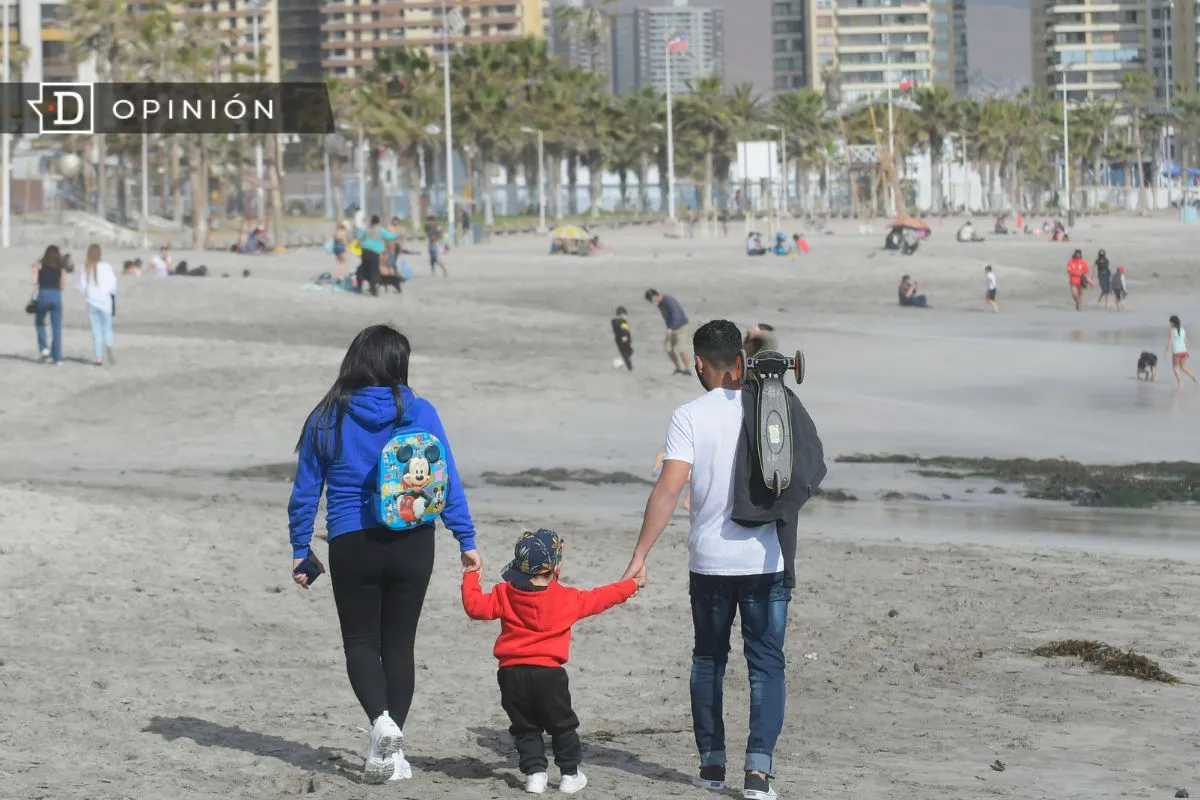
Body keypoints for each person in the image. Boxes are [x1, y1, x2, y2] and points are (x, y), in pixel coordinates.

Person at [288, 324, 482, 784]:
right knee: (399, 645)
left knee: (360, 643)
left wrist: (301, 548)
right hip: (414, 540)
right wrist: (466, 539)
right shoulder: (420, 409)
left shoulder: (326, 415)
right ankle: (394, 756)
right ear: (399, 364)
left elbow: (305, 492)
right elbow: (446, 478)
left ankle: (381, 725)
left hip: (352, 542)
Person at [620, 320, 791, 800]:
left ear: (698, 363)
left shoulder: (688, 415)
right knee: (766, 666)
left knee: (709, 660)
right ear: (742, 360)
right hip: (766, 558)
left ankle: (712, 767)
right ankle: (758, 776)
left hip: (710, 563)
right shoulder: (770, 405)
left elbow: (669, 489)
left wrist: (640, 553)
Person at [462, 528, 641, 795]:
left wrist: (471, 576)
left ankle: (535, 775)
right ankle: (570, 774)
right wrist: (632, 585)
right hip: (549, 675)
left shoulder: (504, 593)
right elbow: (601, 597)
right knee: (562, 726)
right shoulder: (567, 598)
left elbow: (474, 607)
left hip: (511, 674)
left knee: (525, 727)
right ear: (556, 567)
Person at [78, 244, 117, 366]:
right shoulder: (107, 266)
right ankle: (109, 344)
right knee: (107, 328)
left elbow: (82, 286)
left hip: (92, 301)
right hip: (105, 302)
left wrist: (89, 292)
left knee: (96, 330)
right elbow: (112, 284)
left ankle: (98, 358)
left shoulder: (85, 267)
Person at [31, 245, 66, 365]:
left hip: (43, 294)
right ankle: (57, 357)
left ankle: (44, 349)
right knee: (56, 327)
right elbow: (62, 287)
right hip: (56, 295)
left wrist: (35, 267)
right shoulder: (61, 267)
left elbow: (34, 281)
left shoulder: (41, 266)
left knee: (39, 322)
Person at [644, 288, 692, 375]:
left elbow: (676, 315)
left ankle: (688, 369)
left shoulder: (669, 301)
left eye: (652, 300)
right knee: (668, 348)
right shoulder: (660, 304)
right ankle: (678, 368)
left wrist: (670, 328)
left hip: (681, 327)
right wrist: (669, 328)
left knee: (682, 349)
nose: (652, 302)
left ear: (655, 296)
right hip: (671, 328)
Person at [1165, 315, 1198, 388]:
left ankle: (1180, 382)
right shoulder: (1183, 330)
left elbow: (1170, 342)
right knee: (1183, 367)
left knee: (1175, 367)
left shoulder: (1173, 331)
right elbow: (1185, 341)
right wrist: (1187, 351)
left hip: (1177, 352)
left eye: (1170, 322)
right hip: (1184, 351)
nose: (1170, 324)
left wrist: (1166, 352)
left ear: (1172, 323)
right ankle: (1194, 378)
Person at [611, 306, 633, 371]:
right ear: (622, 314)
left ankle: (625, 365)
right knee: (628, 353)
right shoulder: (623, 322)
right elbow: (624, 330)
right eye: (625, 315)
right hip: (624, 341)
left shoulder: (614, 322)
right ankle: (628, 367)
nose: (626, 317)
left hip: (618, 340)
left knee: (626, 354)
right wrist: (625, 337)